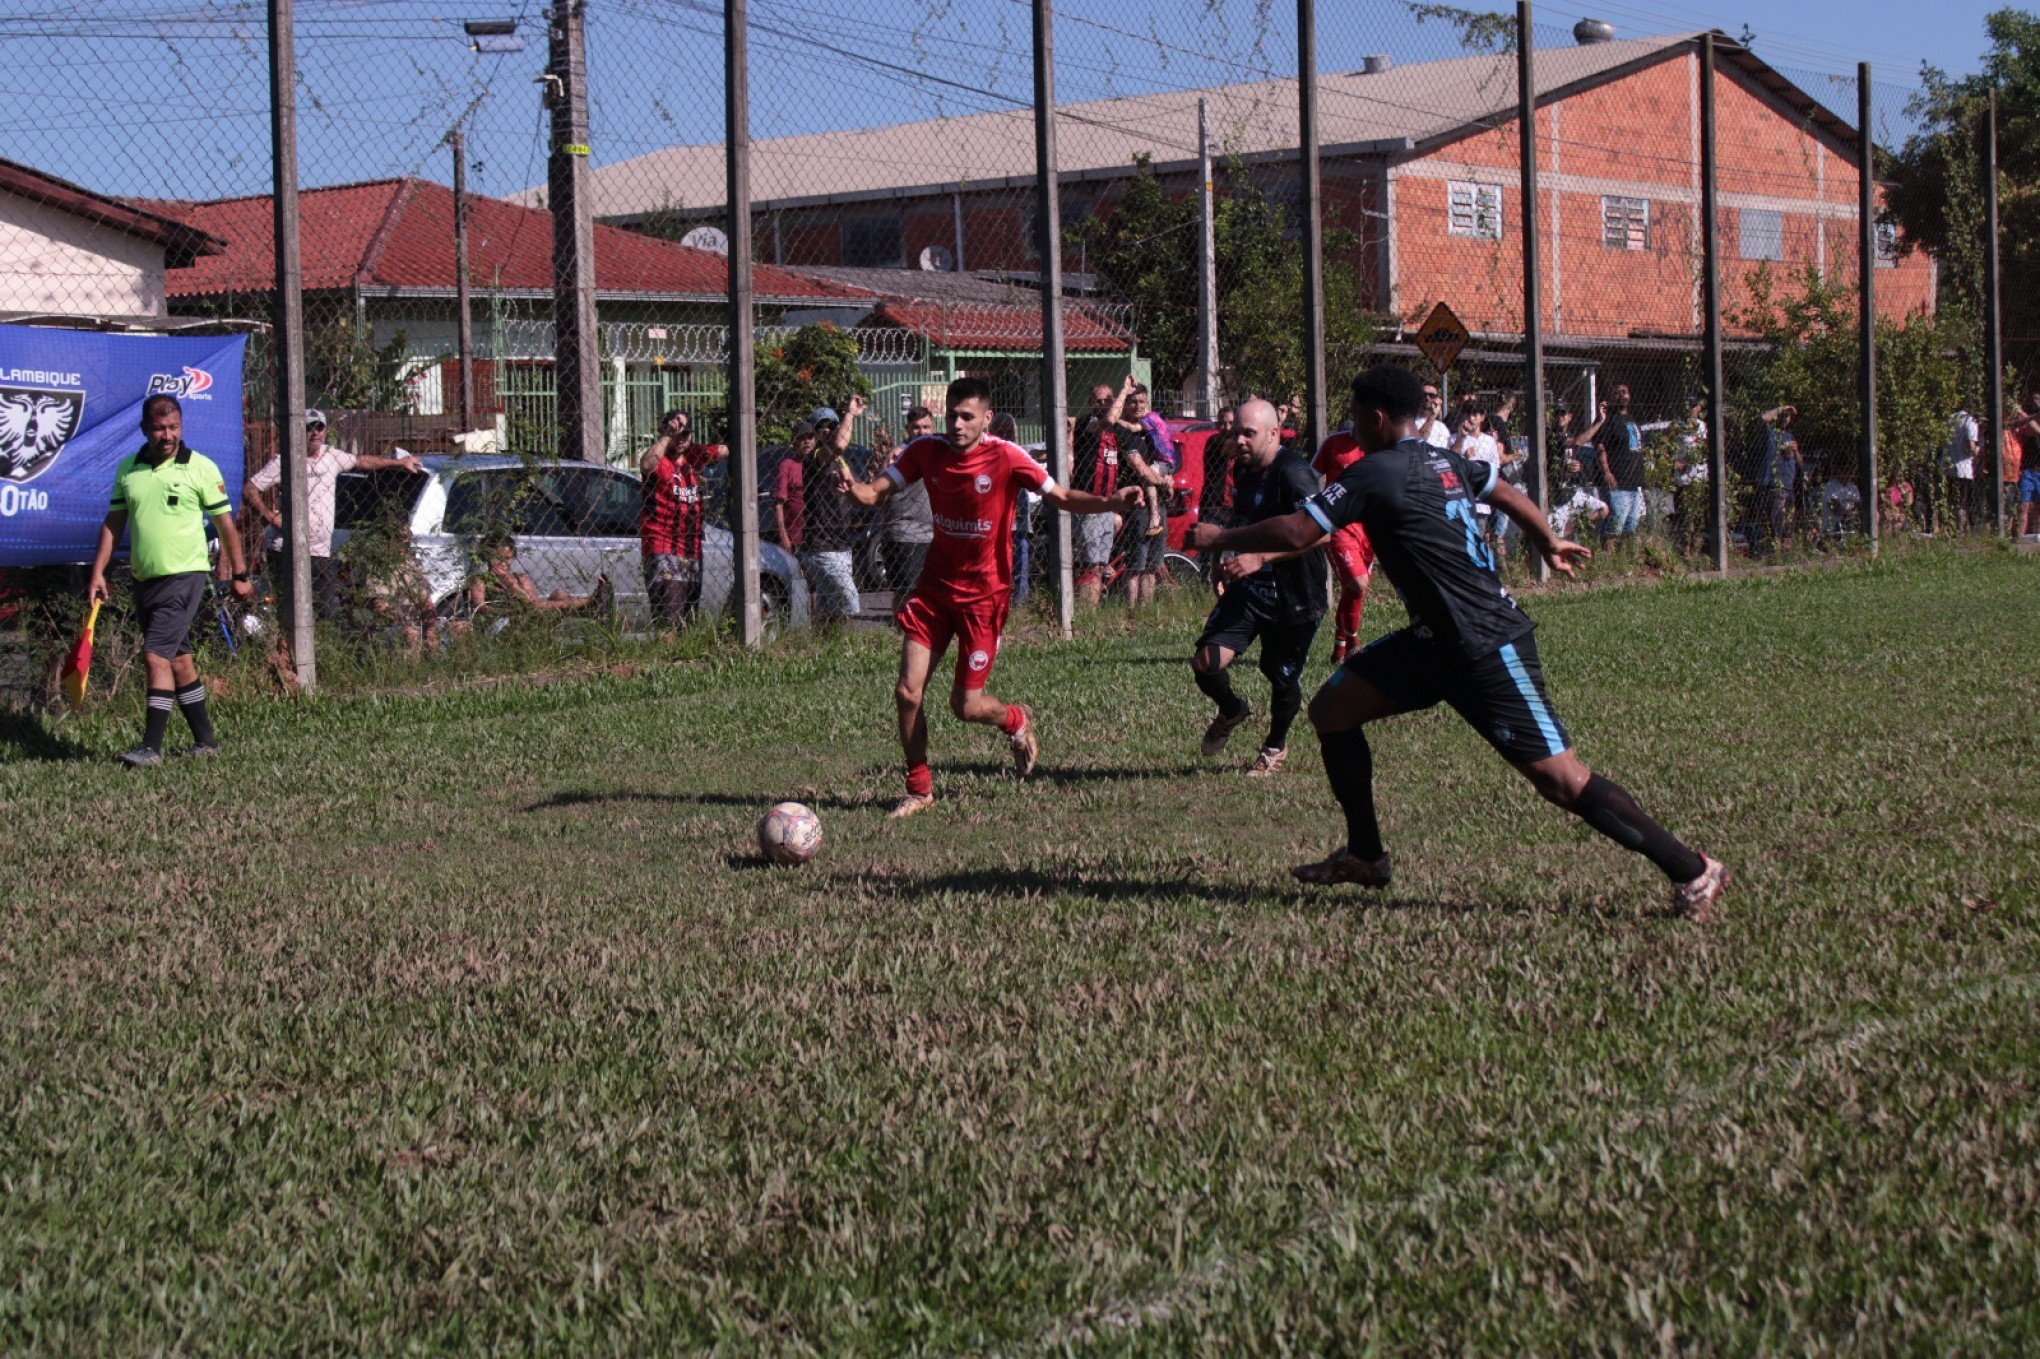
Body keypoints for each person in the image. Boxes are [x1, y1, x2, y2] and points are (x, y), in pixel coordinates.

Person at [1188, 365, 1729, 920]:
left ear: (1375, 420)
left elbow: (1303, 530)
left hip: (1485, 641)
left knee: (1561, 780)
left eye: (1354, 416)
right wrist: (1545, 540)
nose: (1352, 426)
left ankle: (1692, 869)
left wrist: (1222, 537)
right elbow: (1501, 488)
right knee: (1332, 710)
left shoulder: (1377, 471)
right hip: (1433, 642)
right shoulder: (1442, 458)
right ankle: (1367, 856)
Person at [839, 377, 1138, 818]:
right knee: (907, 692)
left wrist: (1111, 501)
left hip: (984, 598)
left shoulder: (1006, 455)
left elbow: (1061, 497)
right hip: (935, 590)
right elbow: (875, 492)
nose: (957, 425)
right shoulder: (926, 451)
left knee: (965, 705)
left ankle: (1015, 721)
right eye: (952, 416)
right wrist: (855, 490)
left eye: (967, 417)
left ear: (986, 419)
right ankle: (919, 788)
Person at [87, 394, 256, 766]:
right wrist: (98, 570)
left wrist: (241, 575)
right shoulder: (128, 469)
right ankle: (206, 742)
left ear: (182, 426)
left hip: (186, 575)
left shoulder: (201, 468)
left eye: (174, 427)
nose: (168, 435)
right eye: (160, 428)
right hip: (145, 579)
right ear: (146, 429)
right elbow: (114, 523)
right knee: (178, 660)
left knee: (155, 655)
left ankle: (151, 748)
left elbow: (227, 526)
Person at [1191, 399, 1327, 777]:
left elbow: (1323, 534)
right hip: (1251, 589)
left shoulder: (1295, 474)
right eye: (1237, 433)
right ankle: (1233, 710)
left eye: (1248, 433)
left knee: (1280, 676)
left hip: (1295, 594)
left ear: (1273, 433)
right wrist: (1228, 557)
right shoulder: (1246, 467)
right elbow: (1246, 520)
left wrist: (1261, 558)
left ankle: (1274, 747)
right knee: (1205, 663)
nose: (1240, 441)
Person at [242, 408, 426, 621]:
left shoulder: (332, 456)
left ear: (325, 430)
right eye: (309, 427)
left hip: (321, 550)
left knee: (325, 614)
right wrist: (271, 518)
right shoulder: (285, 460)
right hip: (287, 550)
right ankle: (285, 652)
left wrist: (398, 462)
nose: (315, 433)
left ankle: (317, 653)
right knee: (289, 614)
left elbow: (361, 461)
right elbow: (250, 489)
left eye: (319, 427)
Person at [639, 409, 725, 623]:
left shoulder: (692, 459)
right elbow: (646, 464)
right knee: (668, 617)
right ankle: (666, 653)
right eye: (675, 435)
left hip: (691, 548)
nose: (680, 439)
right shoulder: (659, 459)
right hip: (663, 546)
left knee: (688, 621)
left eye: (685, 435)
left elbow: (725, 451)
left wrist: (696, 449)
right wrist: (668, 435)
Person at [1107, 376, 1176, 608]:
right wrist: (1163, 482)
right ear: (1126, 404)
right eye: (1133, 402)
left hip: (1158, 504)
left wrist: (1167, 478)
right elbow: (1142, 471)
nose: (1138, 406)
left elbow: (1164, 454)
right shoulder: (1123, 432)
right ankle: (1130, 610)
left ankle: (1145, 611)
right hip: (1138, 507)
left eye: (1142, 402)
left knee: (1152, 565)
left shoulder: (1150, 426)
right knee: (1136, 565)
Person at [1312, 418, 1375, 665]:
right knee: (1358, 584)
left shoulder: (1378, 446)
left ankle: (1341, 646)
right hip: (1340, 527)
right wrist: (1318, 509)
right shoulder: (1334, 443)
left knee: (1355, 588)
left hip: (1369, 528)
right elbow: (1309, 475)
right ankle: (1355, 645)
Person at [466, 535, 610, 622]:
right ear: (488, 558)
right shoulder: (481, 580)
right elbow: (481, 608)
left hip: (529, 615)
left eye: (508, 559)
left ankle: (592, 608)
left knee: (559, 594)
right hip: (503, 619)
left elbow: (532, 602)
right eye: (497, 559)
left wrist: (510, 583)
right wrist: (508, 611)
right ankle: (590, 604)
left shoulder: (519, 577)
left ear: (514, 557)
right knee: (542, 606)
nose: (503, 563)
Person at [1068, 384, 1122, 605]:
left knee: (1100, 565)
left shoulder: (1115, 431)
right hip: (1089, 502)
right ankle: (1083, 611)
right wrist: (1124, 393)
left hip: (1107, 503)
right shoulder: (1087, 423)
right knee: (1089, 564)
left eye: (1107, 400)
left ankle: (1093, 612)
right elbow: (1105, 421)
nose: (1102, 405)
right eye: (1097, 401)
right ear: (1091, 403)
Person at [1578, 384, 1644, 542]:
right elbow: (1599, 446)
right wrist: (1606, 471)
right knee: (1615, 526)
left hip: (1634, 482)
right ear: (1611, 398)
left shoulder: (1632, 419)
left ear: (1629, 395)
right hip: (1617, 481)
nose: (1621, 396)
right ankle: (1607, 558)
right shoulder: (1607, 420)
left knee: (1631, 526)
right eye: (1617, 393)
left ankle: (1623, 560)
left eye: (1624, 392)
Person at [882, 406, 937, 593]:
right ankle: (902, 622)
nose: (922, 431)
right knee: (907, 594)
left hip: (933, 535)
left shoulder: (937, 452)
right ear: (907, 429)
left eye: (926, 426)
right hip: (906, 535)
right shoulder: (899, 454)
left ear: (933, 428)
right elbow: (880, 489)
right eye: (916, 427)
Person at [1751, 404, 1802, 555]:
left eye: (1788, 416)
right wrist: (1781, 408)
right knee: (1776, 519)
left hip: (1789, 485)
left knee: (1789, 520)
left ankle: (1785, 551)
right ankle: (1774, 551)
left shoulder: (1790, 436)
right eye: (1784, 415)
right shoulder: (1771, 433)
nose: (1786, 419)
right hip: (1775, 483)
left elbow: (1799, 462)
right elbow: (1763, 418)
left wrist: (1796, 451)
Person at [1944, 404, 1980, 531]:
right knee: (1964, 503)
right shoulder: (1970, 420)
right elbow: (1971, 447)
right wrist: (1980, 446)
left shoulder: (1949, 419)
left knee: (1953, 501)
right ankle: (1962, 530)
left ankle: (1953, 529)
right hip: (1964, 469)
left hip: (1949, 466)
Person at [2013, 395, 2040, 541]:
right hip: (2027, 471)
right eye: (2034, 399)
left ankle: (2037, 537)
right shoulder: (2026, 423)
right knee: (2024, 505)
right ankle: (2020, 537)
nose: (2035, 401)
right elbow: (2019, 424)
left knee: (2038, 509)